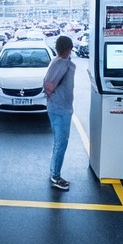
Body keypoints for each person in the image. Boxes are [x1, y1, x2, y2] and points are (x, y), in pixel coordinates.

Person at [43, 35, 79, 191]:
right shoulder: (62, 64)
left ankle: (54, 172)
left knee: (59, 142)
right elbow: (48, 84)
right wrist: (53, 93)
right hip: (60, 109)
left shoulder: (57, 62)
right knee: (61, 143)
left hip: (58, 108)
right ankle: (55, 177)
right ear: (68, 49)